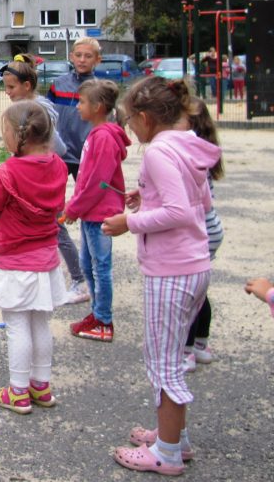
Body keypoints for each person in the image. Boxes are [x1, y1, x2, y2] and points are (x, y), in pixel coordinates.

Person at [102, 77, 220, 476]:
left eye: (131, 119)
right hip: (193, 266)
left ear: (147, 117)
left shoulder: (158, 153)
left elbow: (180, 213)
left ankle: (167, 454)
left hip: (172, 270)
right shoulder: (188, 144)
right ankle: (174, 438)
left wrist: (130, 221)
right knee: (169, 357)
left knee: (164, 363)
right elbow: (199, 200)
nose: (130, 127)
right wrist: (147, 197)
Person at [0, 101, 69, 415]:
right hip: (46, 261)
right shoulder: (58, 165)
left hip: (15, 262)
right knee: (41, 323)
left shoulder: (8, 172)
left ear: (19, 138)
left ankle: (18, 392)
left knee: (17, 326)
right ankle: (40, 386)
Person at [0, 58, 65, 286]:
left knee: (54, 228)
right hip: (30, 173)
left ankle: (78, 278)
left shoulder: (38, 109)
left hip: (18, 268)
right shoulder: (24, 161)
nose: (7, 92)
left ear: (26, 86)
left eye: (11, 87)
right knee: (8, 222)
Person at [64, 80, 129, 342]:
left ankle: (103, 320)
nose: (77, 106)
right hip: (90, 211)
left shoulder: (104, 137)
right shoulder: (96, 133)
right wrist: (75, 204)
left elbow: (97, 182)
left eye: (82, 102)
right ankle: (97, 313)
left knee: (101, 268)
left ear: (98, 107)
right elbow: (86, 177)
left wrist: (74, 208)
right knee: (88, 265)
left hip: (99, 213)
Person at [45, 38, 102, 305]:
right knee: (52, 210)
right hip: (60, 155)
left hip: (86, 158)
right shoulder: (58, 85)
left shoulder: (100, 89)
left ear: (97, 60)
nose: (82, 60)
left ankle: (91, 277)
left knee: (90, 215)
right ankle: (68, 270)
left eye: (88, 56)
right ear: (71, 55)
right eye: (78, 55)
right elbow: (48, 115)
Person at [181, 98, 224, 372]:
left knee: (188, 295)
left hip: (200, 230)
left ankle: (186, 352)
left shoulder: (189, 156)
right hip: (211, 227)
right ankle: (201, 344)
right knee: (199, 292)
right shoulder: (203, 151)